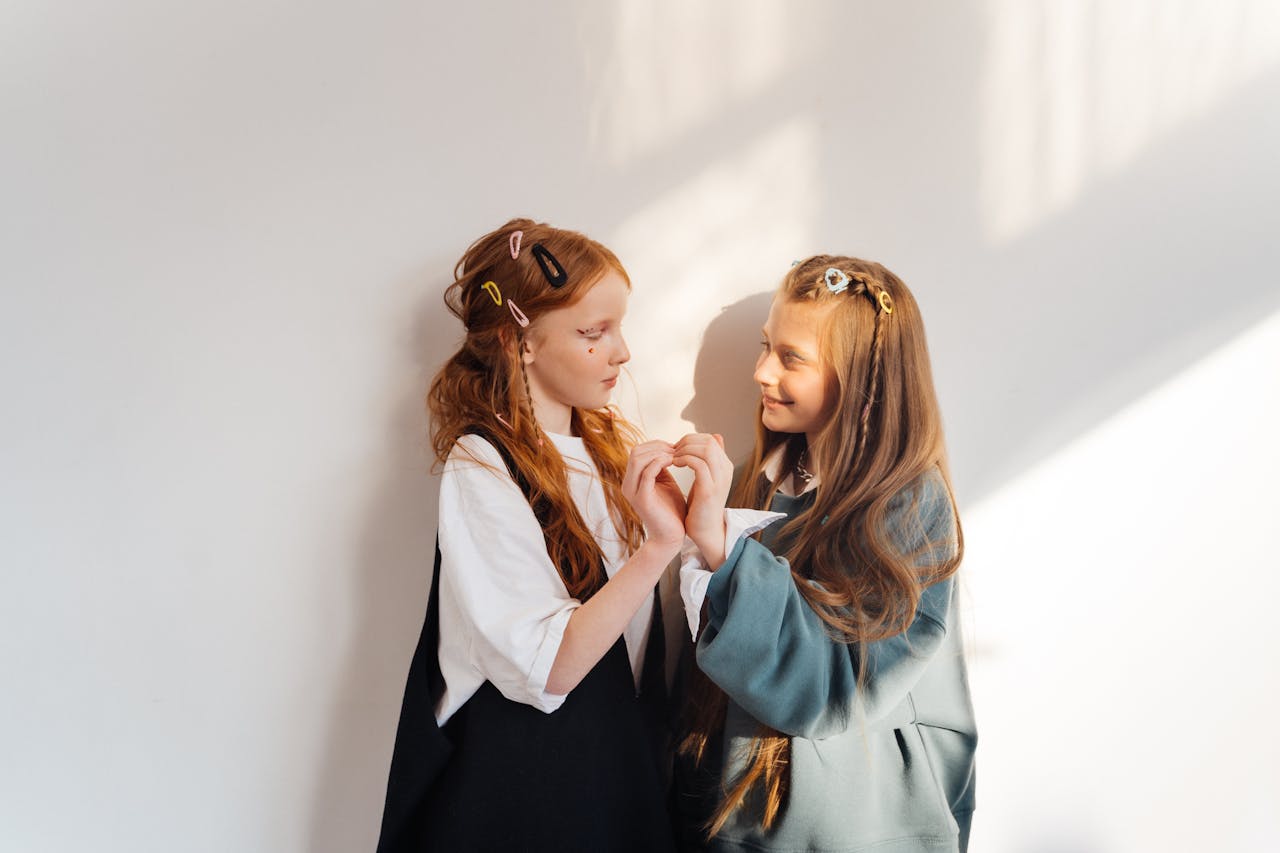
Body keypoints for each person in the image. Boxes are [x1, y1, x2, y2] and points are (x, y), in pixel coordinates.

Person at [376, 218, 682, 852]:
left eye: (619, 327)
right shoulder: (482, 464)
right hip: (520, 807)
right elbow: (552, 669)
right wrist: (658, 548)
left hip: (610, 788)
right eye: (593, 333)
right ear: (520, 342)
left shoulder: (608, 460)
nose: (622, 353)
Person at [671, 256, 977, 852]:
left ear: (864, 379)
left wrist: (721, 548)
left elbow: (833, 690)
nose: (761, 372)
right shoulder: (753, 484)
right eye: (766, 347)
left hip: (850, 833)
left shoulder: (910, 507)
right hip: (736, 821)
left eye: (792, 358)